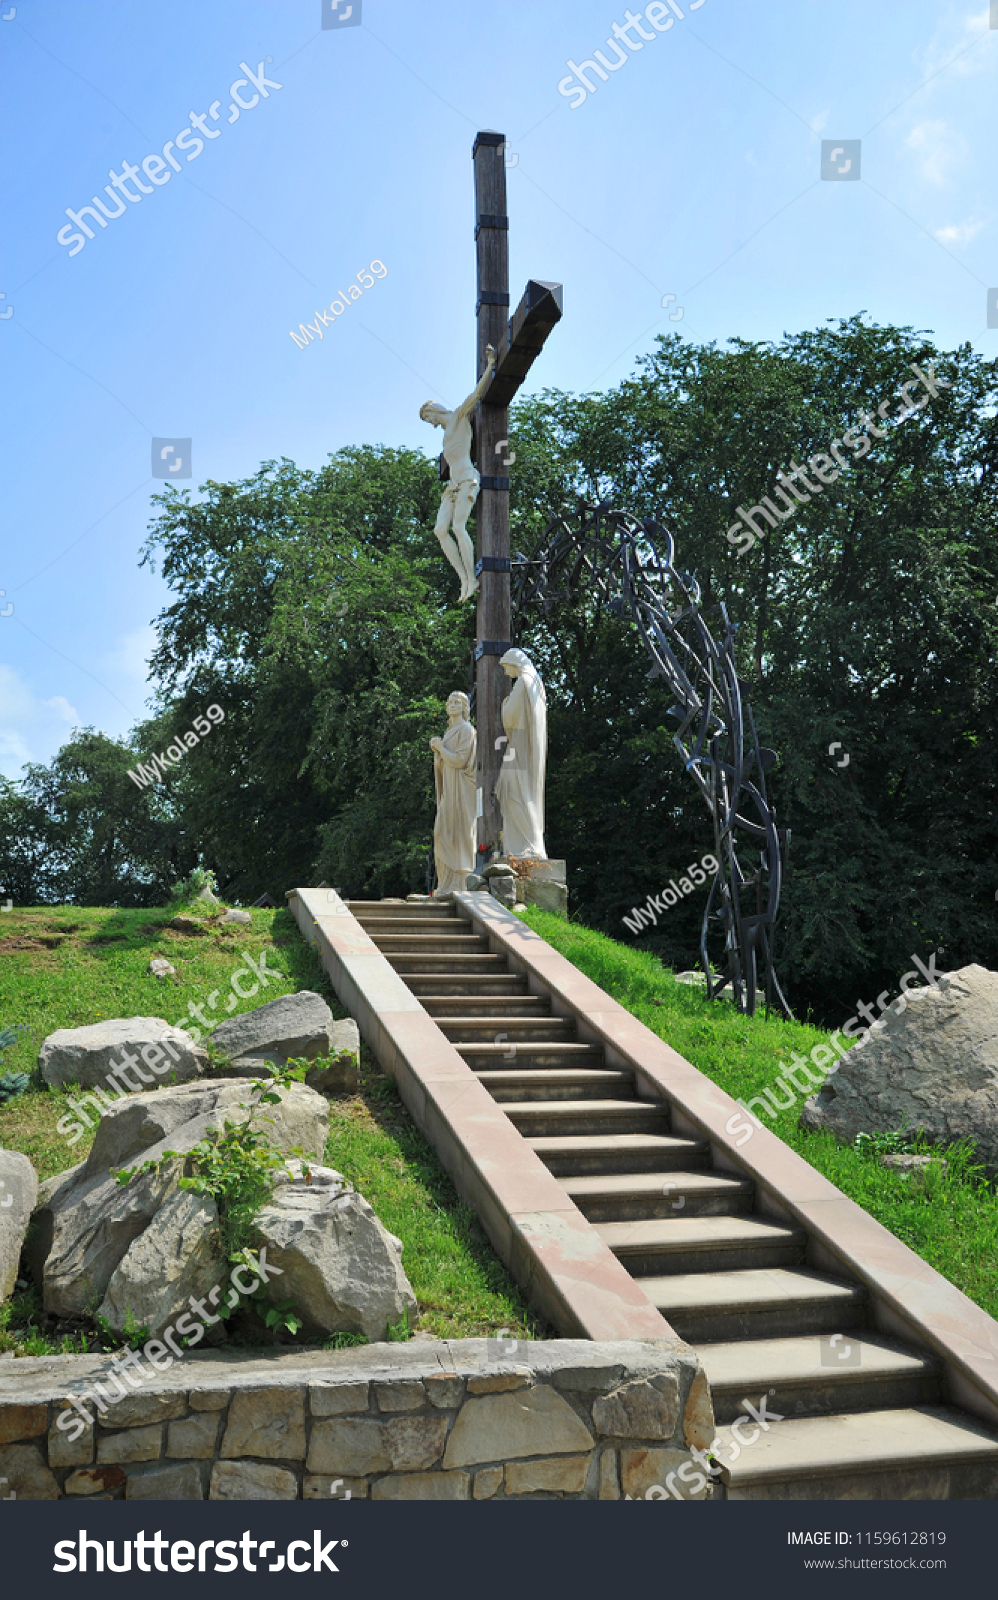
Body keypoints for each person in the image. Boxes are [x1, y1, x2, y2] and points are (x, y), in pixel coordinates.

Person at [419, 345, 497, 602]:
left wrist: (491, 364)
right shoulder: (444, 437)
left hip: (467, 479)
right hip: (452, 486)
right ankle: (464, 577)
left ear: (433, 411)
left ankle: (472, 579)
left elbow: (477, 393)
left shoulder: (459, 417)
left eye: (427, 417)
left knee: (458, 526)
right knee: (440, 530)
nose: (429, 423)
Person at [494, 648, 547, 859]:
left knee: (513, 790)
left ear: (514, 663)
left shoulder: (522, 683)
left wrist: (504, 705)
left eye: (506, 668)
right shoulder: (534, 683)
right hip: (526, 745)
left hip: (520, 745)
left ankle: (528, 845)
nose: (506, 674)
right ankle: (521, 845)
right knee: (515, 791)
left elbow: (511, 718)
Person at [430, 691, 477, 894]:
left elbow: (460, 761)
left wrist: (440, 747)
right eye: (450, 701)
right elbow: (445, 764)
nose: (453, 704)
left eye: (458, 701)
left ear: (465, 707)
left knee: (458, 832)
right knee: (442, 832)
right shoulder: (450, 731)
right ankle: (445, 883)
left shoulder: (466, 730)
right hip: (449, 788)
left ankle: (460, 881)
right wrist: (438, 756)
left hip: (462, 789)